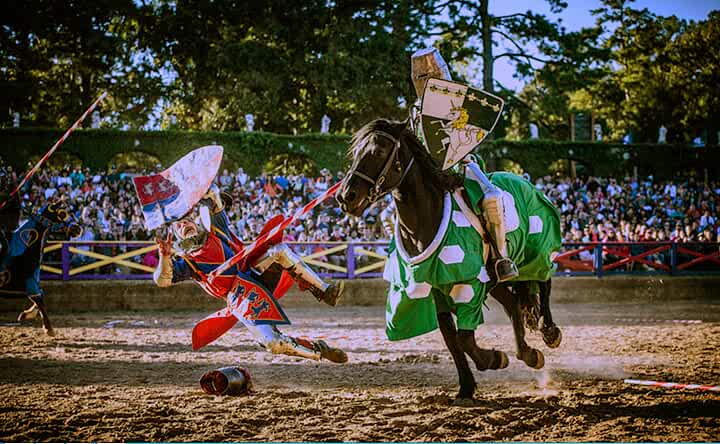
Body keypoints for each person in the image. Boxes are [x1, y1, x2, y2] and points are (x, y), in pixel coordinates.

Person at [153, 184, 347, 363]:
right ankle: (318, 351)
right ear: (176, 235)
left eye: (187, 220)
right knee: (274, 343)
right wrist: (164, 256)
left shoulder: (216, 230)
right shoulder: (187, 263)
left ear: (196, 222)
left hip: (252, 271)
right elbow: (162, 280)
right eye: (179, 225)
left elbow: (214, 196)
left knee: (278, 251)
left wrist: (195, 187)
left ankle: (324, 290)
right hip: (240, 297)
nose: (184, 224)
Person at [409, 47, 518, 281]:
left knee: (492, 197)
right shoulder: (415, 111)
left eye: (431, 74)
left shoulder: (458, 101)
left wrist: (460, 153)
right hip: (426, 174)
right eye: (421, 76)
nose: (427, 80)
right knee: (393, 209)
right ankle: (402, 258)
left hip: (461, 166)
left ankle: (501, 257)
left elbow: (467, 135)